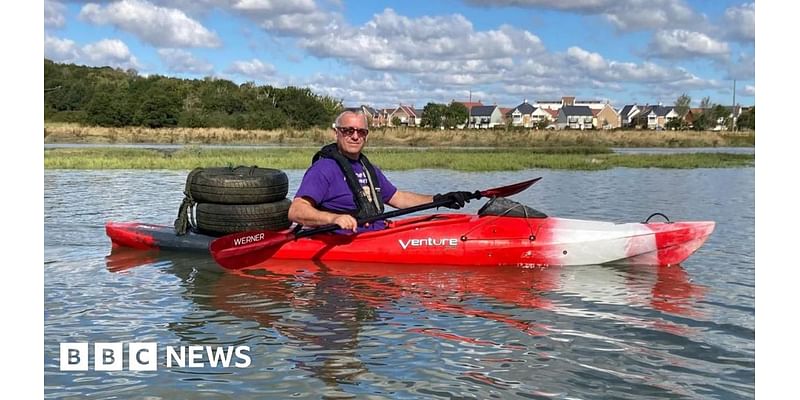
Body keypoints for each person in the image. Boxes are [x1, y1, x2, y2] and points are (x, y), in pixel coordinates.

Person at [288, 111, 472, 233]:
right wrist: (334, 218)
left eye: (361, 132)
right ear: (336, 133)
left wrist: (439, 199)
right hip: (342, 241)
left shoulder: (368, 169)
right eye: (348, 130)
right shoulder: (323, 169)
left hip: (377, 234)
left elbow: (398, 198)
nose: (355, 136)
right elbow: (296, 211)